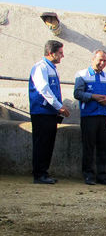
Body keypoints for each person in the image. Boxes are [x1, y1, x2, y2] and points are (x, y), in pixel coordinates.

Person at [28, 40, 71, 184]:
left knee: (48, 143)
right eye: (60, 53)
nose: (62, 56)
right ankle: (39, 174)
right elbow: (44, 89)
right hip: (42, 112)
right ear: (51, 53)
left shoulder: (51, 68)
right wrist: (59, 106)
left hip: (50, 112)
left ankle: (43, 172)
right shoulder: (40, 67)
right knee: (42, 143)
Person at [73, 49, 106, 185]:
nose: (102, 63)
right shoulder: (82, 75)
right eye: (100, 60)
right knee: (88, 146)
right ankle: (88, 175)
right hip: (89, 115)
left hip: (104, 116)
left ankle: (102, 176)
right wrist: (93, 97)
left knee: (103, 147)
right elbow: (77, 93)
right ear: (93, 59)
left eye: (104, 61)